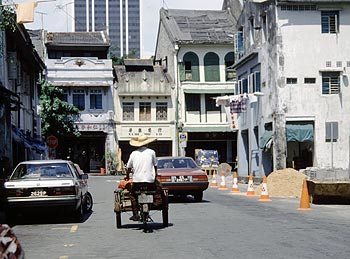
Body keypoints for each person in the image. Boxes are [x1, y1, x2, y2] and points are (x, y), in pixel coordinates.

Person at [125, 135, 157, 221]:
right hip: (150, 180)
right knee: (154, 191)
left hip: (137, 180)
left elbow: (128, 167)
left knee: (133, 196)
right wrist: (155, 176)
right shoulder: (152, 152)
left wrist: (127, 176)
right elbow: (155, 166)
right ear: (147, 144)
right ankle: (152, 204)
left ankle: (135, 214)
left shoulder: (133, 153)